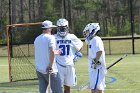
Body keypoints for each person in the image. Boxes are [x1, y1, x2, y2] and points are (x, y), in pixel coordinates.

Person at [54, 18, 83, 93]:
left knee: (67, 87)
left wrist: (78, 54)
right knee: (58, 88)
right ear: (57, 28)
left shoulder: (72, 37)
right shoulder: (53, 37)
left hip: (70, 65)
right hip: (58, 65)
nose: (62, 30)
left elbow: (80, 45)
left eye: (64, 28)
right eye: (60, 28)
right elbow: (50, 50)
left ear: (67, 28)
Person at [34, 20, 63, 93]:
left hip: (39, 70)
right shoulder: (50, 37)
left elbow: (44, 52)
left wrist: (56, 52)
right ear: (49, 28)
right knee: (58, 91)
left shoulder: (37, 39)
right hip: (50, 70)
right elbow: (52, 51)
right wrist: (50, 65)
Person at [83, 23, 107, 93]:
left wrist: (95, 62)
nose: (86, 34)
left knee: (94, 89)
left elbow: (99, 51)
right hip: (95, 68)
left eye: (87, 32)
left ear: (92, 31)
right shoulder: (92, 40)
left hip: (97, 68)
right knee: (99, 89)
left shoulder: (96, 39)